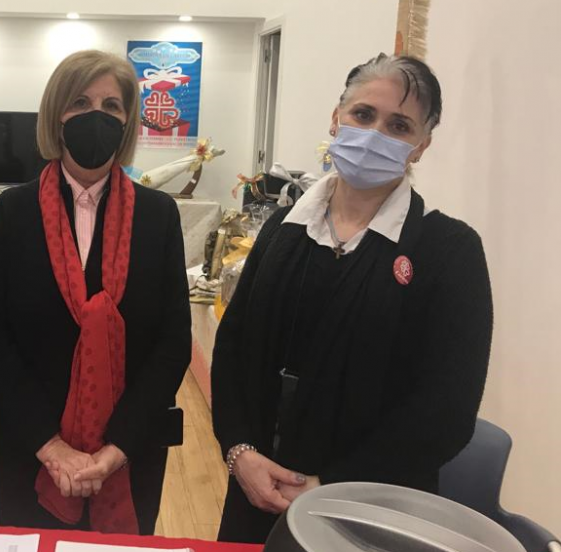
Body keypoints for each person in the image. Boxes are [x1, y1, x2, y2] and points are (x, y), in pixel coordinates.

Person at [211, 54, 494, 543]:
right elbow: (234, 348)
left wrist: (329, 488)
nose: (376, 134)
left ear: (421, 146)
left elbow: (446, 409)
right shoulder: (283, 230)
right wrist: (240, 452)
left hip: (372, 510)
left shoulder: (450, 251)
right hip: (256, 491)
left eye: (399, 126)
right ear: (336, 118)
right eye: (364, 115)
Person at [0, 50, 191, 535]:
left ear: (129, 119)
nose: (97, 116)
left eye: (112, 106)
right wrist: (52, 449)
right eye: (80, 102)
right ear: (56, 115)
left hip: (131, 453)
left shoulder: (159, 216)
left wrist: (115, 449)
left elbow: (173, 342)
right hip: (31, 452)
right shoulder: (13, 210)